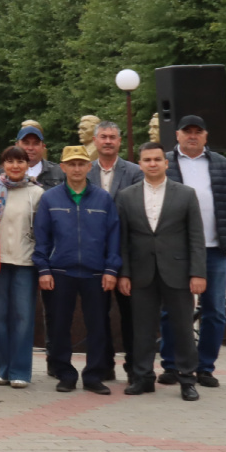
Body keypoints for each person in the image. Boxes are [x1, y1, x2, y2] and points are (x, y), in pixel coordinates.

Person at [159, 115, 226, 388]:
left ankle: (205, 367)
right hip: (176, 250)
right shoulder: (164, 163)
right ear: (177, 135)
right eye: (188, 132)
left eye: (198, 132)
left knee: (214, 311)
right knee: (172, 310)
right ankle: (172, 366)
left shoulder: (223, 166)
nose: (193, 136)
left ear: (206, 136)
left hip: (214, 249)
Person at [117, 142, 206, 401]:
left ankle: (187, 378)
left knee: (182, 328)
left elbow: (196, 237)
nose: (152, 164)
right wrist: (124, 273)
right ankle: (143, 377)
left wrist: (197, 273)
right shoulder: (126, 196)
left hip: (177, 271)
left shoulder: (186, 194)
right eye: (147, 160)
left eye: (157, 159)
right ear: (140, 164)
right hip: (141, 272)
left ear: (166, 163)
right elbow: (122, 240)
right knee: (142, 328)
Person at [33, 145, 120, 395]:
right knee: (59, 325)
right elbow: (42, 237)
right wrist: (44, 269)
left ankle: (94, 375)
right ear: (63, 167)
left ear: (89, 166)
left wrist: (111, 269)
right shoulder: (50, 198)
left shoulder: (103, 199)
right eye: (71, 164)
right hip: (60, 272)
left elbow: (113, 236)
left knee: (98, 326)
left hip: (95, 273)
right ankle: (65, 374)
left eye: (81, 163)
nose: (77, 168)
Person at [0, 145, 45, 388]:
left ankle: (20, 370)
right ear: (3, 164)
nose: (15, 166)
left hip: (25, 262)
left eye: (20, 161)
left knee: (22, 318)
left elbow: (42, 231)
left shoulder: (37, 192)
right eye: (10, 161)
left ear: (27, 164)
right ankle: (2, 368)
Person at [89, 120, 142, 383]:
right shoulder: (85, 172)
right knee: (98, 315)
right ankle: (104, 365)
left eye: (112, 137)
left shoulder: (134, 172)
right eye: (103, 137)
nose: (108, 141)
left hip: (126, 253)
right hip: (94, 255)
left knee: (130, 315)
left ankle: (134, 366)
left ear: (119, 141)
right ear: (95, 140)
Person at [0, 124, 64, 188]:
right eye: (26, 143)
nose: (30, 148)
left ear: (43, 147)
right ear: (17, 145)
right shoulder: (1, 173)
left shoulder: (58, 172)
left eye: (36, 143)